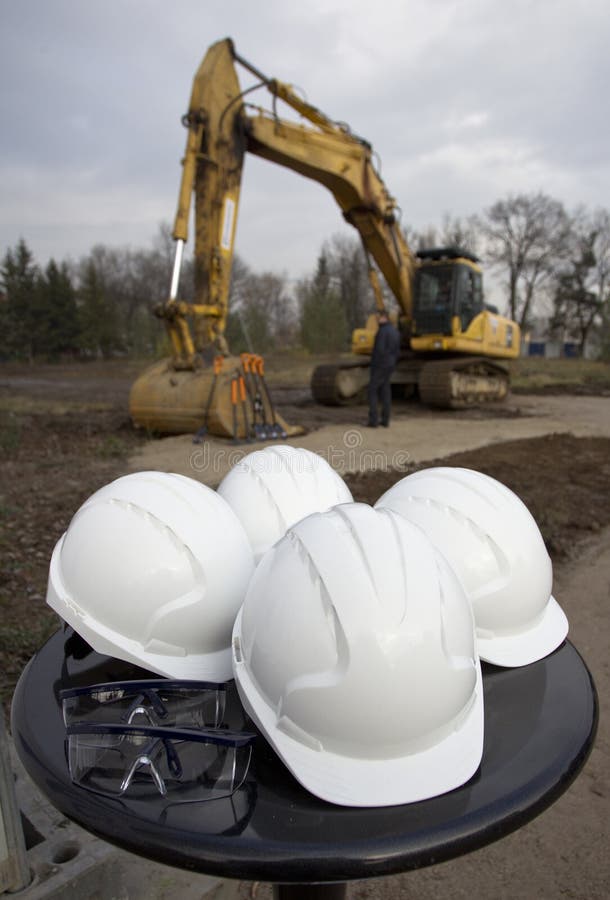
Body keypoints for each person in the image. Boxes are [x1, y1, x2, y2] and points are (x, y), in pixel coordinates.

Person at [367, 309, 401, 428]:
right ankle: (385, 420)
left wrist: (374, 364)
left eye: (378, 317)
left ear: (384, 317)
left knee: (372, 390)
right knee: (385, 391)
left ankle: (373, 420)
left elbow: (379, 350)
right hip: (390, 364)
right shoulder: (395, 332)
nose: (377, 319)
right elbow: (397, 351)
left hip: (380, 364)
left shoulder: (382, 332)